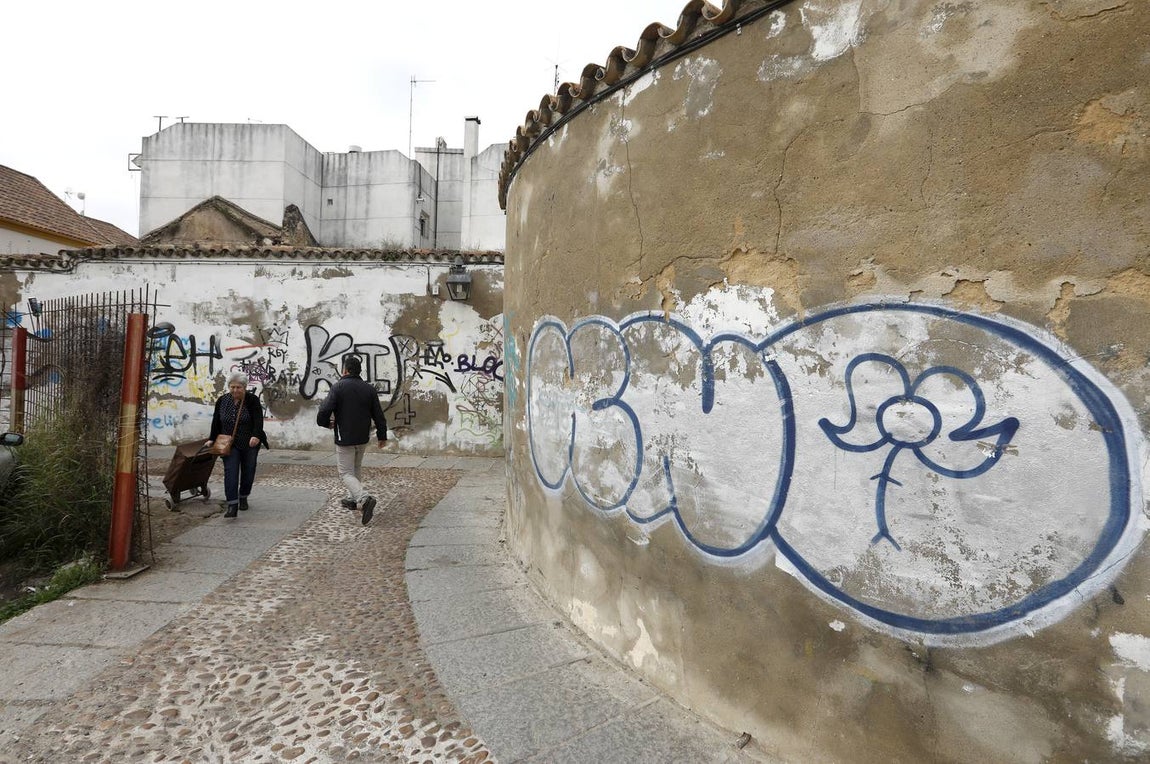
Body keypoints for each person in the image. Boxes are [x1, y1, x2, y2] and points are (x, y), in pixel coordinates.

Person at [316, 355, 388, 525]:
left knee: (345, 472)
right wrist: (382, 435)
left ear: (345, 370)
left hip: (344, 437)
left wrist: (324, 423)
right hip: (363, 436)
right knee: (355, 467)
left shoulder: (338, 387)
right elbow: (378, 414)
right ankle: (352, 499)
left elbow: (325, 409)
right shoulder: (368, 389)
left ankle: (364, 498)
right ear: (359, 370)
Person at [207, 372, 268, 518]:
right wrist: (212, 438)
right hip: (229, 443)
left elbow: (258, 420)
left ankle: (243, 496)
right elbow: (216, 420)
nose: (235, 390)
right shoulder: (222, 400)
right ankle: (232, 505)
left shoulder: (252, 400)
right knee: (231, 472)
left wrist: (255, 435)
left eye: (238, 387)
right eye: (232, 387)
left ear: (245, 387)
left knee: (248, 471)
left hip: (249, 443)